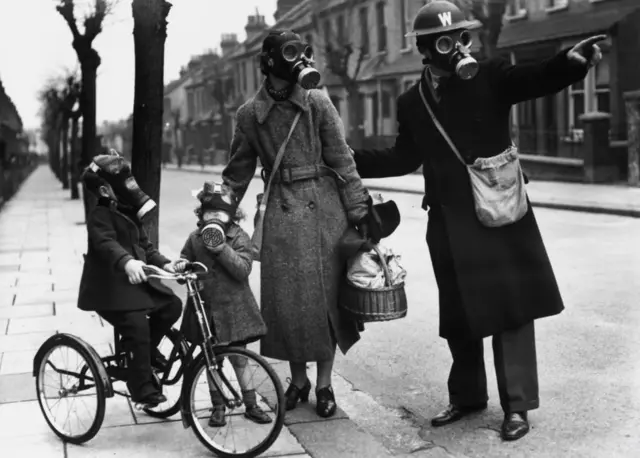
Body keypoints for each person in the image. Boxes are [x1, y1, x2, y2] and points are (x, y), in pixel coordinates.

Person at [350, 0, 605, 441]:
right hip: (448, 222)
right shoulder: (412, 101)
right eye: (447, 42)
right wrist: (347, 159)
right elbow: (403, 157)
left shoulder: (491, 75)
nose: (458, 50)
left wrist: (570, 64)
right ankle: (467, 397)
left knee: (512, 310)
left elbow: (537, 77)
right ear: (426, 50)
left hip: (500, 214)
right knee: (460, 314)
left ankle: (518, 405)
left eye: (463, 38)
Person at [221, 29, 382, 418]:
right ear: (270, 61)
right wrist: (215, 213)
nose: (299, 61)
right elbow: (236, 174)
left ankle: (325, 385)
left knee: (326, 303)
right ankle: (298, 380)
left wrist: (361, 213)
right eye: (289, 53)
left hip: (324, 211)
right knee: (287, 306)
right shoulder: (249, 115)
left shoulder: (318, 102)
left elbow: (343, 160)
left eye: (302, 52)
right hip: (279, 210)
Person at [77, 151, 182, 407]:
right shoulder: (99, 215)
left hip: (131, 286)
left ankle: (142, 355)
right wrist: (127, 262)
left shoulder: (129, 212)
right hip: (108, 289)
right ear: (105, 190)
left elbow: (146, 246)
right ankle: (141, 386)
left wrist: (166, 263)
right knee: (136, 324)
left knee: (172, 306)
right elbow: (105, 243)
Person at [175, 181, 272, 427]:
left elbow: (243, 269)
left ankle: (251, 404)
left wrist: (221, 249)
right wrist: (181, 266)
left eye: (221, 214)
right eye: (209, 213)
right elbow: (186, 259)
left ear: (232, 215)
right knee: (212, 362)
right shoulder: (195, 238)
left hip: (233, 311)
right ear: (201, 214)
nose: (214, 218)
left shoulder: (239, 237)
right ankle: (218, 406)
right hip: (206, 311)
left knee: (240, 359)